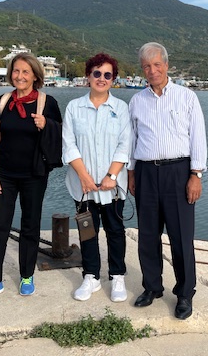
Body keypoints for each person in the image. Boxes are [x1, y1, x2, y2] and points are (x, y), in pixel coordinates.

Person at [0, 53, 62, 304]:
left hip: (34, 174)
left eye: (25, 72)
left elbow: (61, 134)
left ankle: (26, 275)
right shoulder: (3, 101)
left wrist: (46, 124)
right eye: (16, 71)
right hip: (5, 175)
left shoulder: (47, 103)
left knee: (30, 225)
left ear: (35, 76)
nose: (19, 76)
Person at [127, 42, 207, 320]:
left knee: (181, 237)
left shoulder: (187, 97)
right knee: (148, 235)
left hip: (179, 172)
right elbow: (132, 140)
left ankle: (184, 294)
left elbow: (198, 137)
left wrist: (196, 175)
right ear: (143, 70)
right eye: (147, 67)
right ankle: (152, 287)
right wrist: (131, 172)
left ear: (166, 65)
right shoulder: (137, 101)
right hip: (146, 173)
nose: (152, 71)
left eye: (157, 65)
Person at [62, 53, 131, 303]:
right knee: (87, 231)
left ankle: (117, 275)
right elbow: (69, 145)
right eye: (97, 73)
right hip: (83, 186)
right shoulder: (74, 108)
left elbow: (125, 144)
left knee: (115, 230)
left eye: (107, 75)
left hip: (113, 186)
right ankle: (91, 276)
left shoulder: (120, 108)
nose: (102, 78)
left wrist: (112, 175)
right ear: (88, 75)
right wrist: (83, 176)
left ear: (113, 79)